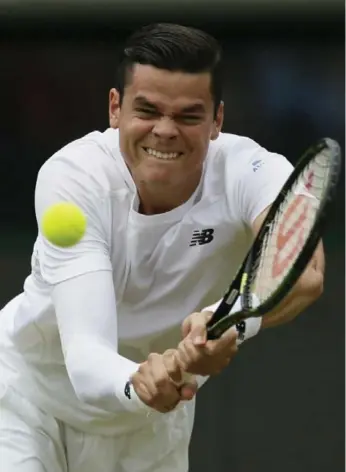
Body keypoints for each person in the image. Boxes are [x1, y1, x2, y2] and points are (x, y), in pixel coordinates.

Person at [0, 23, 324, 472]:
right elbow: (87, 358)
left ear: (218, 121)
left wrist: (228, 322)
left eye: (189, 116)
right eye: (147, 110)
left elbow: (303, 269)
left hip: (153, 423)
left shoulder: (251, 170)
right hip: (27, 397)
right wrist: (136, 380)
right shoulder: (74, 176)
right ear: (115, 108)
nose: (165, 131)